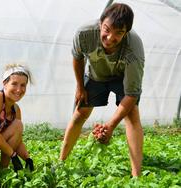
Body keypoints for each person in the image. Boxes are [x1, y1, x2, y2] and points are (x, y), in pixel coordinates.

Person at [60, 3, 144, 177]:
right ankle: (61, 161)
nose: (110, 37)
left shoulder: (134, 48)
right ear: (100, 24)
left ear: (126, 32)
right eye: (107, 29)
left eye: (118, 33)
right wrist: (80, 87)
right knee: (80, 112)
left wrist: (110, 126)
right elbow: (77, 57)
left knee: (133, 114)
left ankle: (136, 175)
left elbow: (131, 94)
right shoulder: (84, 34)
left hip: (122, 78)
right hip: (96, 74)